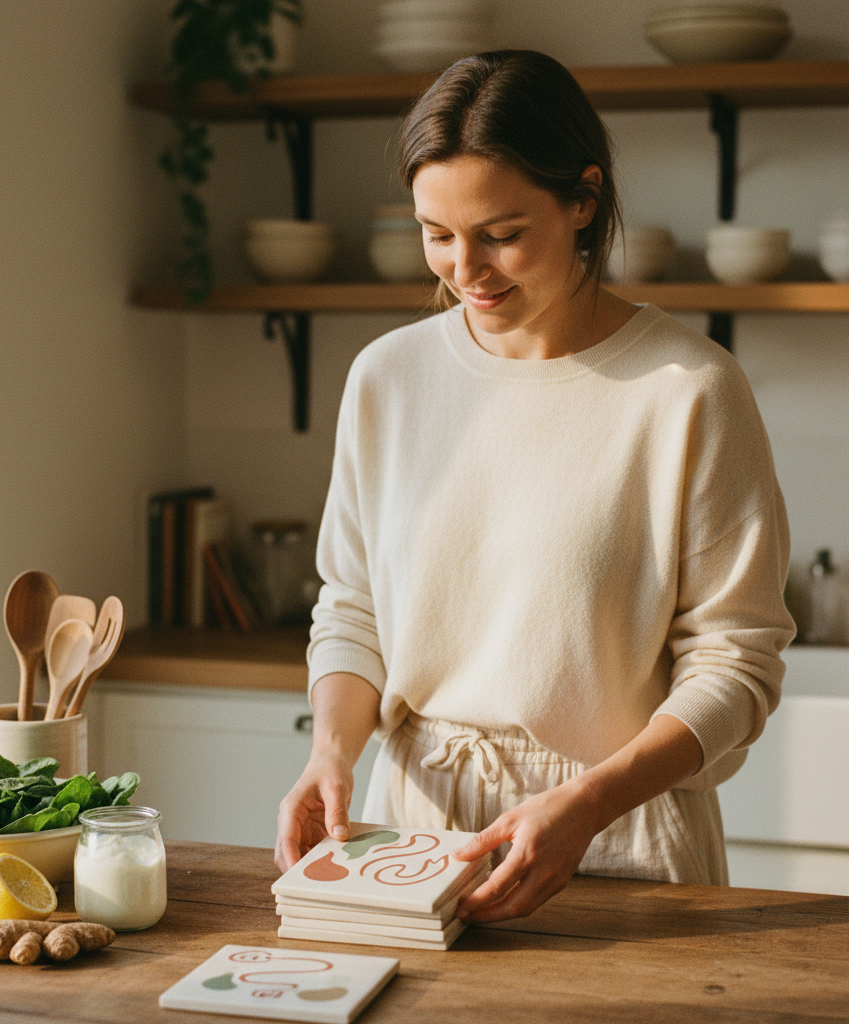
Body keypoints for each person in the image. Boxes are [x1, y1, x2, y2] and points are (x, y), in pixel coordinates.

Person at [274, 50, 795, 923]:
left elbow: (736, 663)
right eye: (436, 233)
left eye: (501, 234)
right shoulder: (387, 378)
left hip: (618, 836)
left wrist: (588, 804)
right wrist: (332, 753)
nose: (465, 270)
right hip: (417, 838)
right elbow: (354, 605)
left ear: (583, 200)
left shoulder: (688, 390)